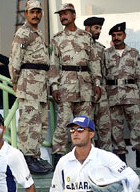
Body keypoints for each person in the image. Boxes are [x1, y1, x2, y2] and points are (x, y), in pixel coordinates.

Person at [49, 3, 102, 168]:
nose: (63, 16)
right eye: (60, 14)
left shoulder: (86, 37)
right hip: (66, 85)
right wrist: (55, 87)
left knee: (85, 123)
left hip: (85, 85)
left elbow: (94, 62)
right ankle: (58, 158)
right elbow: (54, 65)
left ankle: (84, 159)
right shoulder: (57, 39)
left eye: (66, 14)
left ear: (73, 15)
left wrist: (97, 83)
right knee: (63, 123)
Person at [9, 0, 50, 175]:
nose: (36, 15)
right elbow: (15, 59)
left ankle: (35, 155)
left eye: (38, 12)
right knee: (29, 122)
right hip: (28, 82)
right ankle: (27, 157)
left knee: (41, 123)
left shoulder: (37, 33)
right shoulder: (23, 32)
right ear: (25, 14)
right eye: (32, 12)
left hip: (40, 84)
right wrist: (15, 82)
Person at [104, 22, 140, 166]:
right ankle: (120, 161)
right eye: (114, 35)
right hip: (113, 96)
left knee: (137, 126)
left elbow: (138, 75)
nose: (117, 37)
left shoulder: (133, 53)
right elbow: (103, 75)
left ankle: (139, 157)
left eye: (119, 35)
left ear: (124, 35)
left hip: (132, 95)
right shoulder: (106, 54)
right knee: (116, 129)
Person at [84, 17, 112, 151]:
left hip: (101, 93)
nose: (99, 31)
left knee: (105, 128)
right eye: (96, 28)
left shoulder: (101, 48)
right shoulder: (79, 45)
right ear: (87, 28)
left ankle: (106, 158)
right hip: (84, 92)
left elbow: (105, 72)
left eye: (100, 28)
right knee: (87, 127)